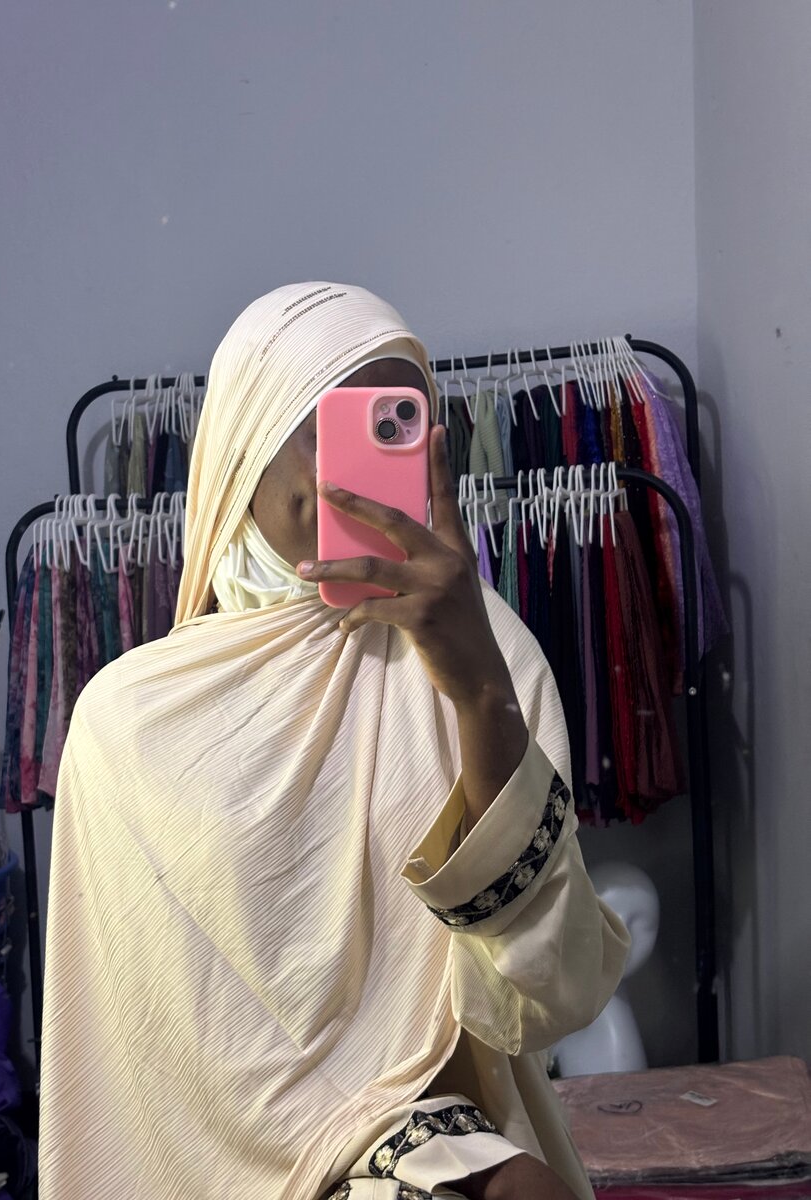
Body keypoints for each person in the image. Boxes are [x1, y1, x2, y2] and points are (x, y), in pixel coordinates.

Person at [38, 283, 629, 1200]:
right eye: (333, 428)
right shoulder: (129, 720)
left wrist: (478, 693)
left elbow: (553, 996)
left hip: (438, 1136)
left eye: (398, 431)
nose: (360, 472)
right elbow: (139, 1057)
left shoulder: (487, 653)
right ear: (245, 446)